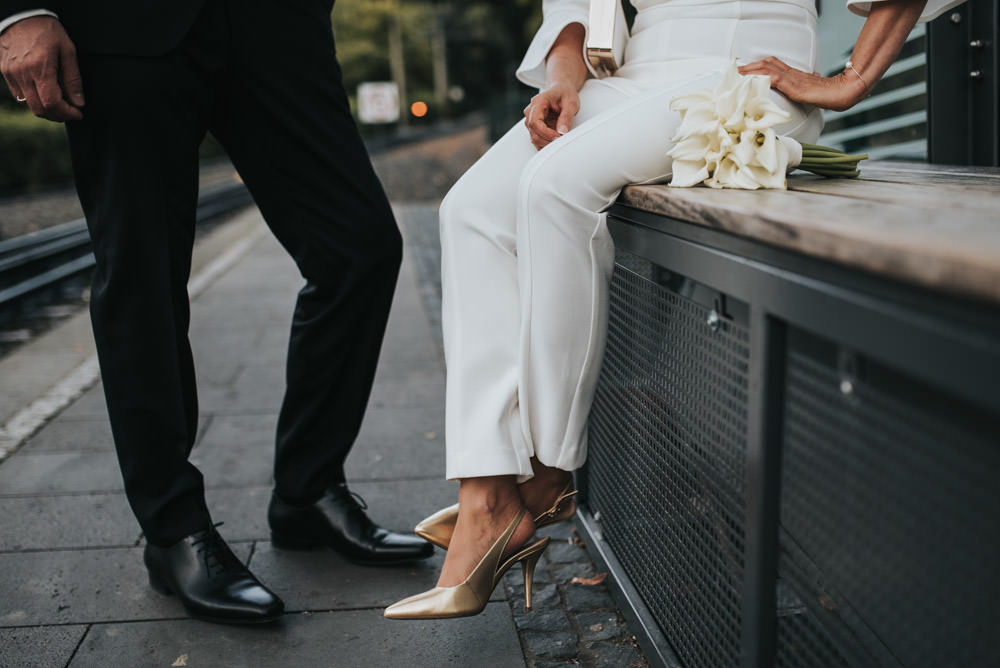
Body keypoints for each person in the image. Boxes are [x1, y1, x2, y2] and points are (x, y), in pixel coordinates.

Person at [384, 0, 963, 619]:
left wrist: (851, 81)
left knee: (553, 187)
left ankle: (546, 472)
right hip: (629, 79)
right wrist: (563, 78)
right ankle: (489, 486)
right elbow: (578, 7)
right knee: (470, 209)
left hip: (748, 71)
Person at [0, 1, 433, 625]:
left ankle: (307, 491)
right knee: (142, 280)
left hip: (275, 23)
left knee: (360, 248)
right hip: (123, 27)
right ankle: (174, 530)